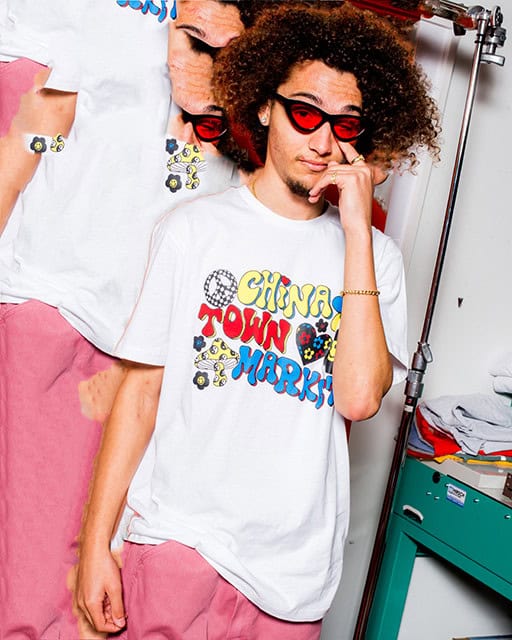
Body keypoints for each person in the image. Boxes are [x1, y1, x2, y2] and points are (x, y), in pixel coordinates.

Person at [76, 3, 439, 638]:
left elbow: (358, 399)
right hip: (179, 545)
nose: (323, 142)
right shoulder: (193, 230)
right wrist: (95, 545)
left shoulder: (376, 257)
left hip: (293, 577)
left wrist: (357, 230)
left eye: (344, 124)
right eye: (305, 113)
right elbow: (140, 395)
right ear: (266, 106)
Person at [0, 1, 264, 637]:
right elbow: (35, 131)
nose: (201, 62)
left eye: (224, 51)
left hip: (155, 359)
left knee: (104, 568)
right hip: (58, 307)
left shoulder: (257, 113)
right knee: (29, 564)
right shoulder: (111, 35)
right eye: (191, 40)